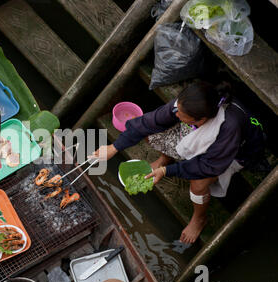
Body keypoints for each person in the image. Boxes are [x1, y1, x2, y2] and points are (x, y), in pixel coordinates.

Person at [90, 81, 265, 244]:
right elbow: (149, 122)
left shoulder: (229, 127)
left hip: (231, 153)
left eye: (181, 115)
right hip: (201, 137)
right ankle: (164, 159)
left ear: (202, 120)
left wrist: (167, 172)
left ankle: (199, 219)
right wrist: (114, 147)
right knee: (151, 133)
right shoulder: (184, 106)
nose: (176, 114)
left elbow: (207, 166)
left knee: (198, 183)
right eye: (177, 111)